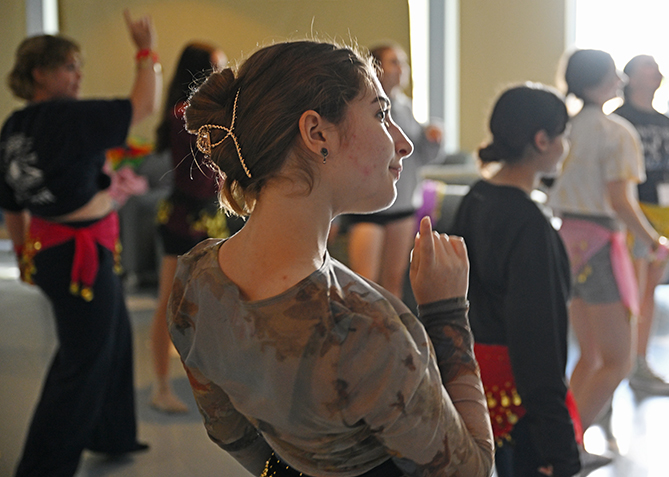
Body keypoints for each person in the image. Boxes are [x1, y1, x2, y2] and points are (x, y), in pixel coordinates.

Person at [167, 40, 494, 476]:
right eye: (380, 114)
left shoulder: (194, 279)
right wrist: (447, 312)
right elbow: (469, 471)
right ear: (317, 133)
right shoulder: (364, 328)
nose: (403, 144)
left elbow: (234, 437)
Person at [0, 10, 161, 476]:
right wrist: (146, 51)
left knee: (110, 338)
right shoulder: (65, 116)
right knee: (83, 359)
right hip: (75, 255)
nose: (78, 75)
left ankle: (110, 433)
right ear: (40, 73)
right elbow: (142, 106)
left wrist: (25, 254)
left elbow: (11, 205)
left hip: (57, 251)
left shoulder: (15, 127)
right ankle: (42, 467)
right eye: (69, 66)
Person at [546, 49, 669, 433]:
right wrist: (657, 241)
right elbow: (619, 200)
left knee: (588, 354)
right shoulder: (616, 132)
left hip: (565, 240)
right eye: (615, 72)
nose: (622, 79)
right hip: (599, 243)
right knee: (617, 360)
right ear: (602, 81)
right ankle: (570, 444)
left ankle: (560, 440)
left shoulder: (566, 127)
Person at [451, 84, 581, 477]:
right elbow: (538, 343)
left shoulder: (476, 196)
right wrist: (560, 450)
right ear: (542, 140)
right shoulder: (529, 226)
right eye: (563, 135)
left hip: (466, 382)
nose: (565, 145)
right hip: (514, 400)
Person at [149, 42, 231, 413]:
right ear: (198, 74)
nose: (223, 75)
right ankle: (161, 385)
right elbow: (203, 173)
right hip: (184, 217)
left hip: (208, 214)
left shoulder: (208, 113)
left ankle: (215, 382)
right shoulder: (185, 114)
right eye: (216, 68)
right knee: (169, 303)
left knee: (213, 303)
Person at [613, 54, 669, 395]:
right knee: (628, 294)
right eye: (648, 68)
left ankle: (639, 362)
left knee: (648, 293)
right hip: (633, 214)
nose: (656, 73)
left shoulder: (667, 123)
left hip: (667, 215)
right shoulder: (617, 121)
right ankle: (619, 365)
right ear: (630, 77)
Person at [342, 42, 443, 299]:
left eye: (404, 62)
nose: (402, 69)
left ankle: (393, 337)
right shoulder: (358, 106)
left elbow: (419, 157)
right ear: (376, 67)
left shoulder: (406, 108)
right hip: (367, 206)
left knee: (394, 282)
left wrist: (432, 141)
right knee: (364, 286)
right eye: (394, 62)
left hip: (402, 204)